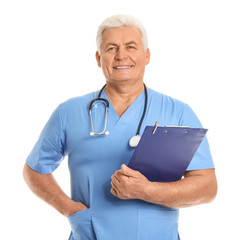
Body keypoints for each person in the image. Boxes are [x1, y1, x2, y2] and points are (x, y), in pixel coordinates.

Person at [23, 14, 217, 240]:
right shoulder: (69, 112)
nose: (121, 55)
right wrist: (69, 209)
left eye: (131, 46)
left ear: (147, 55)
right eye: (111, 48)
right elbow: (34, 170)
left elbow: (207, 187)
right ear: (98, 58)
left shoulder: (178, 113)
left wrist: (146, 191)